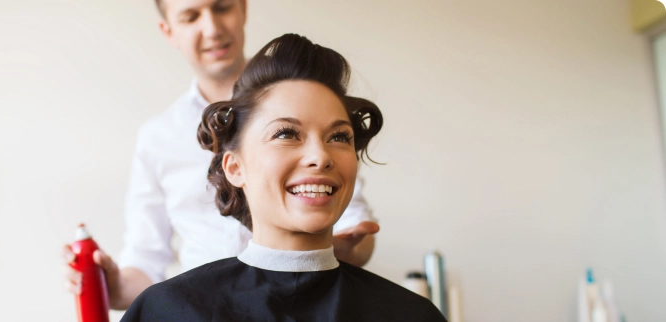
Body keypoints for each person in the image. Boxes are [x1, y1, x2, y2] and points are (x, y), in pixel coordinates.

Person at [62, 0, 380, 310]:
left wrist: (316, 248)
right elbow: (146, 260)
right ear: (168, 30)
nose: (212, 28)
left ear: (243, 8)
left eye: (222, 7)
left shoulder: (309, 110)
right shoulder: (158, 138)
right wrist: (113, 287)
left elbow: (357, 229)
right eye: (190, 16)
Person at [120, 33, 446, 322]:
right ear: (235, 167)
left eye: (339, 137)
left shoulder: (411, 315)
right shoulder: (166, 312)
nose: (321, 156)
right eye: (287, 133)